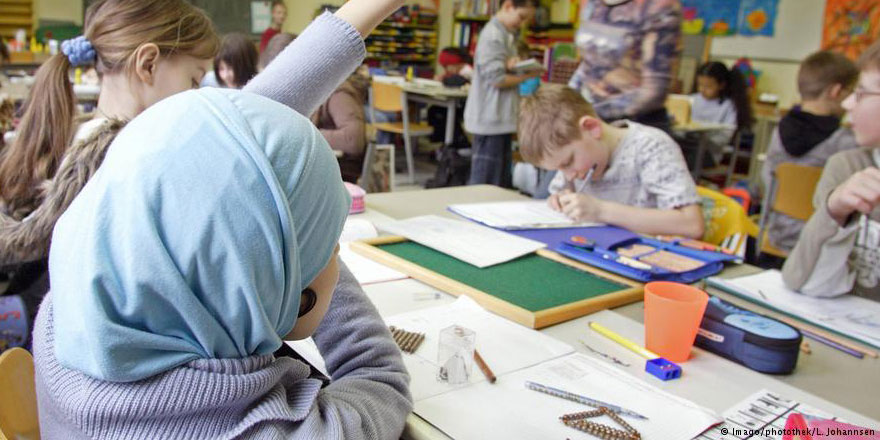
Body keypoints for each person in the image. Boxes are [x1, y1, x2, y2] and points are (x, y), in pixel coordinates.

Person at [34, 87, 412, 439]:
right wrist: (302, 259)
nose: (337, 255)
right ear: (277, 280)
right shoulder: (278, 430)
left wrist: (293, 247)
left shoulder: (56, 322)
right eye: (331, 245)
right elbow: (379, 377)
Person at [518, 83, 704, 238]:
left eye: (568, 163)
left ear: (592, 128)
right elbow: (562, 200)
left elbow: (692, 224)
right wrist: (559, 202)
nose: (568, 175)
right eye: (558, 168)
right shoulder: (575, 158)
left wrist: (601, 211)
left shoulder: (651, 147)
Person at [782, 41, 880, 302]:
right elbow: (798, 281)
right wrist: (833, 209)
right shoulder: (848, 166)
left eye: (861, 93)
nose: (848, 103)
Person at [762, 51, 859, 252]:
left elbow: (766, 182)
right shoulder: (846, 142)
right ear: (837, 91)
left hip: (774, 235)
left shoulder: (778, 131)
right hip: (821, 245)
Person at [568, 0, 682, 132]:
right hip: (591, 122)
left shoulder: (659, 6)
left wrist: (595, 114)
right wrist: (567, 100)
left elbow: (656, 89)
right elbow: (588, 63)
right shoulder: (592, 3)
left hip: (635, 127)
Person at [462, 0, 540, 187]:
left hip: (500, 119)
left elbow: (498, 69)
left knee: (498, 181)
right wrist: (527, 75)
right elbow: (496, 79)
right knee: (486, 183)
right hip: (490, 118)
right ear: (507, 6)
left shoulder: (506, 35)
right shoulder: (494, 35)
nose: (520, 24)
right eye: (520, 17)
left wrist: (512, 66)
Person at [679, 61, 754, 169]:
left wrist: (703, 135)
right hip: (687, 145)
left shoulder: (729, 106)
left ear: (721, 85)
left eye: (708, 86)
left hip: (708, 153)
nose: (702, 90)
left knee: (682, 162)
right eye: (700, 85)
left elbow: (724, 138)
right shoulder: (692, 99)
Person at [311, 73, 368, 183]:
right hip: (327, 167)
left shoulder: (339, 94)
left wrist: (308, 135)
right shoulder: (318, 90)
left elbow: (353, 140)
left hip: (341, 172)